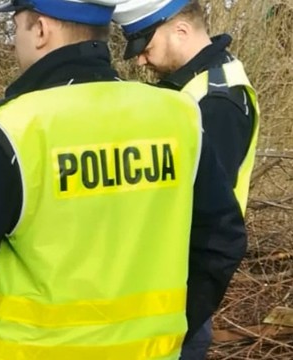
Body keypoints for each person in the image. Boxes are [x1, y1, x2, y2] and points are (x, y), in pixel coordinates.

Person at [0, 0, 248, 359]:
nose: (14, 43)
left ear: (42, 30)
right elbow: (221, 241)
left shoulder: (15, 129)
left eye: (17, 28)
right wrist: (177, 322)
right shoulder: (177, 117)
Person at [112, 1, 259, 357]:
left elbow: (211, 224)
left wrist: (184, 319)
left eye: (145, 48)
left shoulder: (217, 101)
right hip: (159, 291)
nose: (141, 61)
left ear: (180, 31)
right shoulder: (188, 88)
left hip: (176, 301)